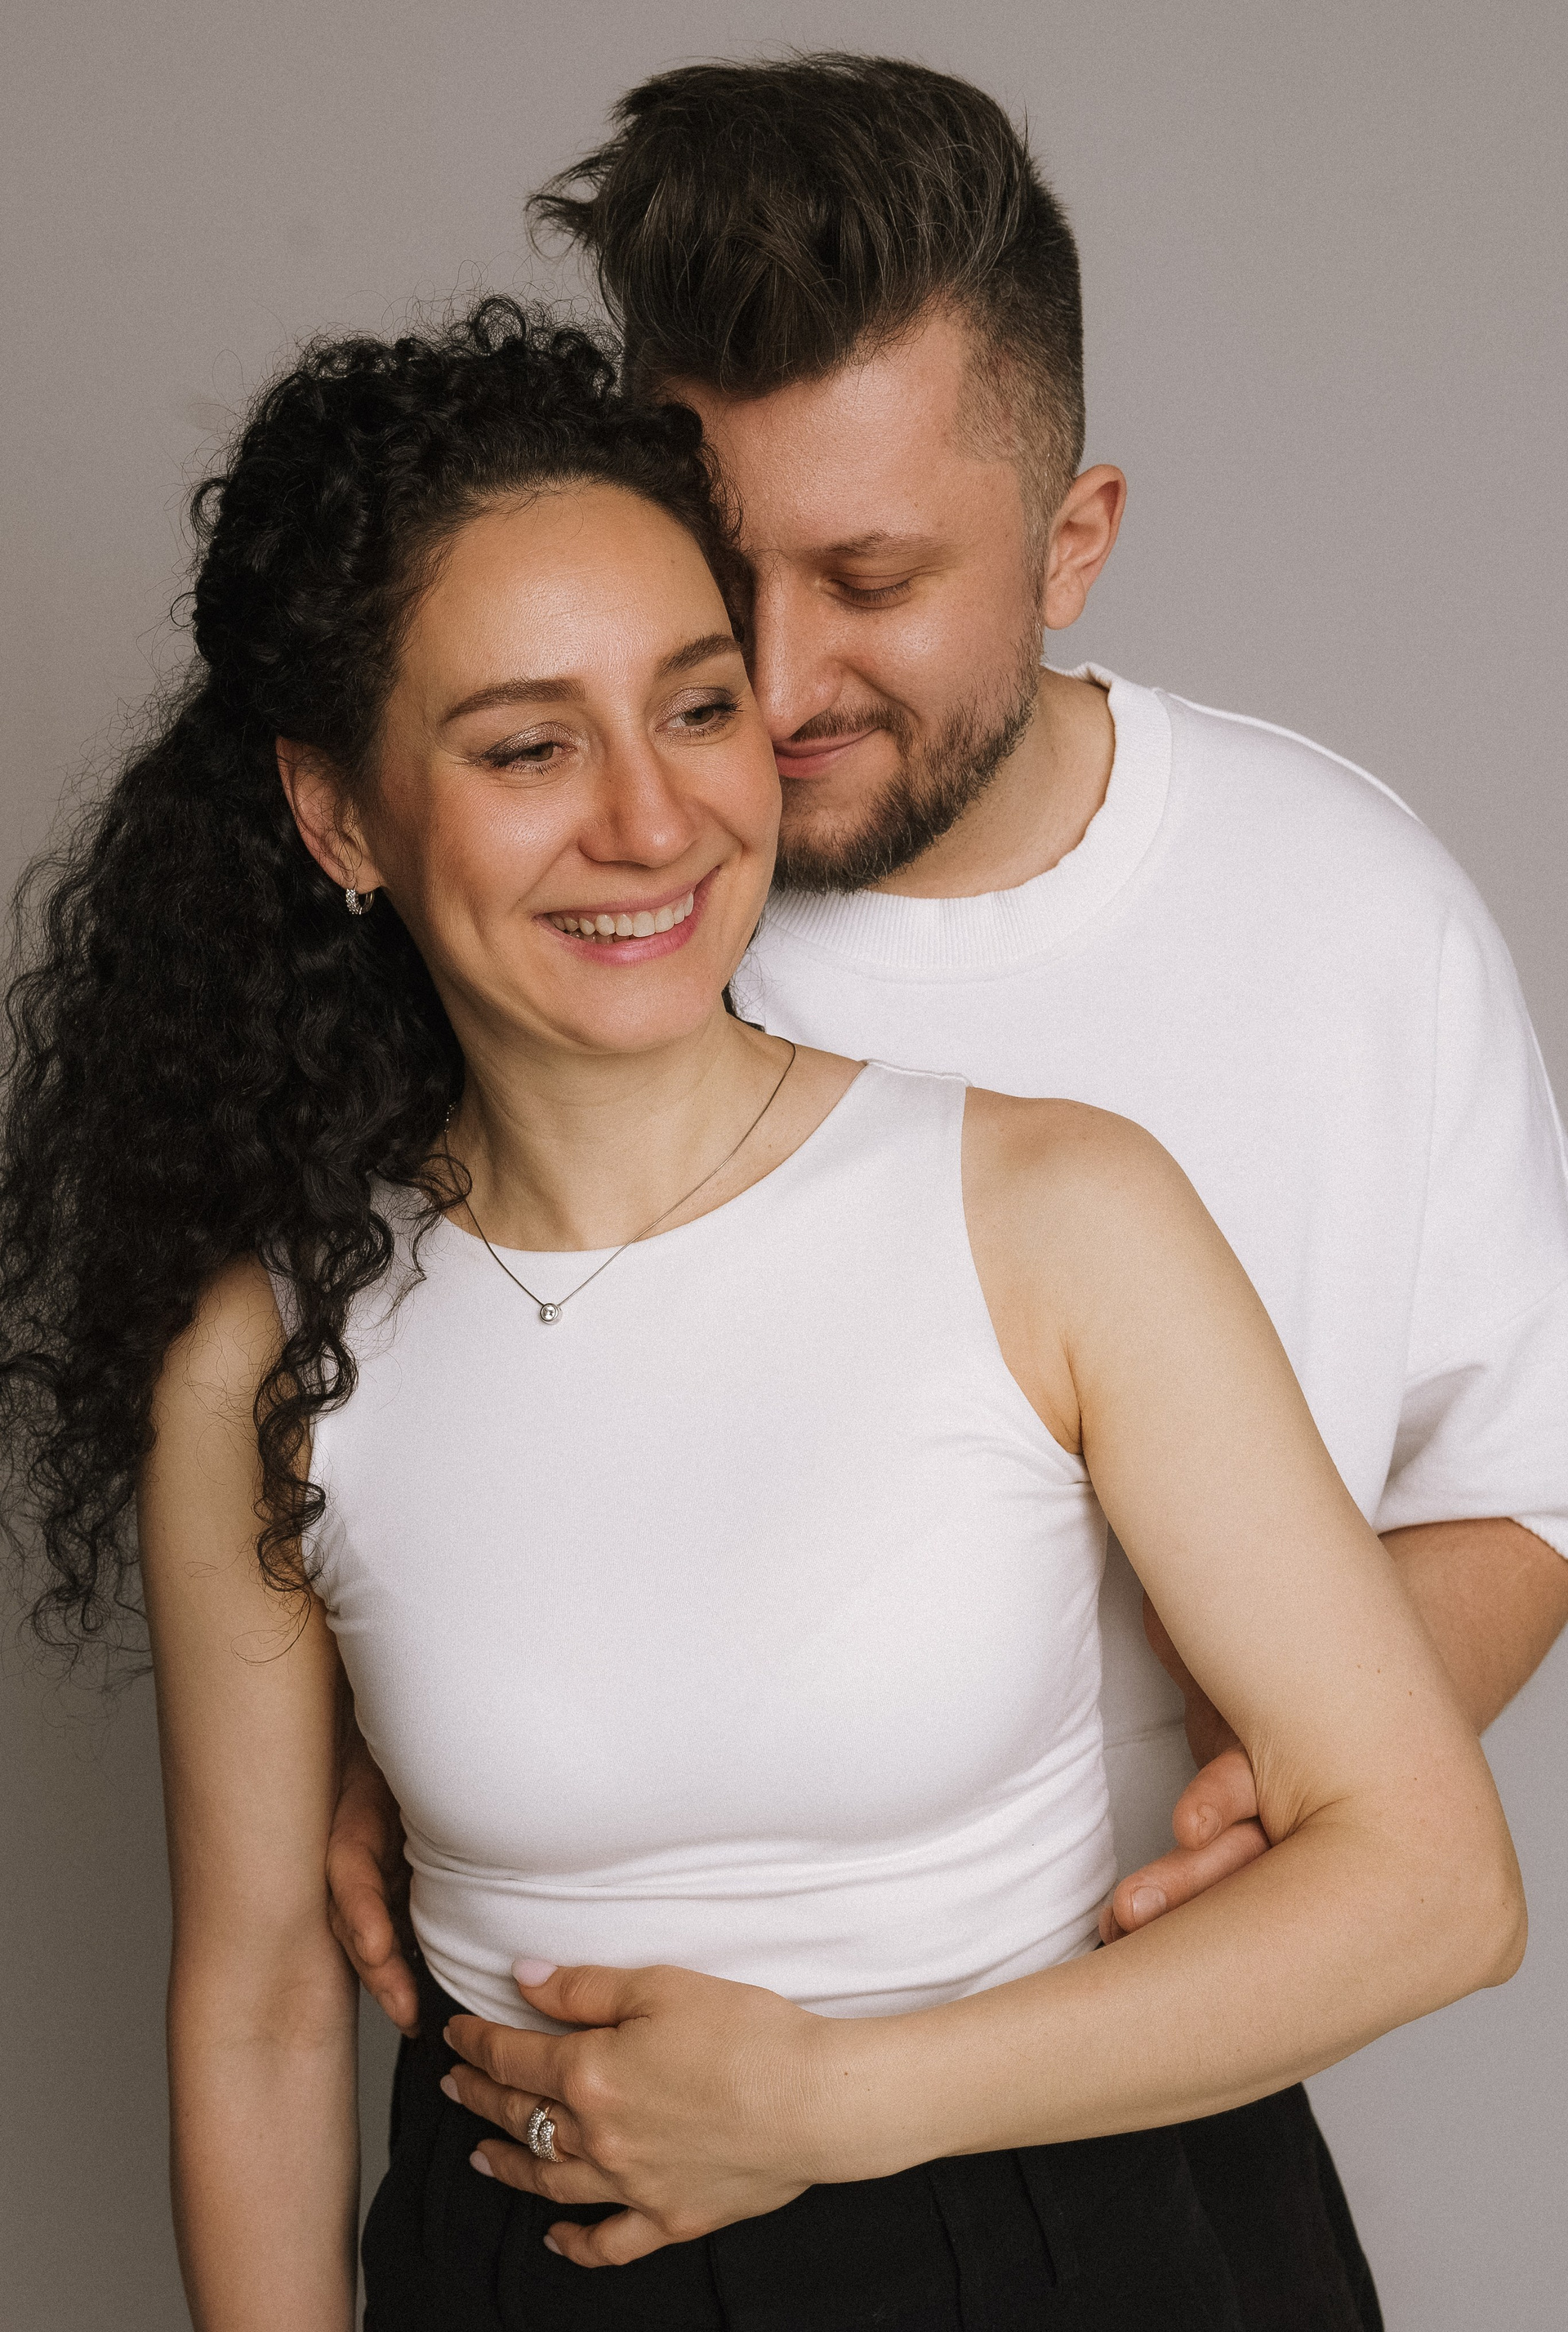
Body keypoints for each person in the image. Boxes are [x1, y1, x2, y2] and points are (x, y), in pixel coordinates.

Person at [0, 302, 1525, 2331]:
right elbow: (264, 2003)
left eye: (698, 707)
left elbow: (1433, 1886)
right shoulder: (267, 1360)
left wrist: (830, 2104)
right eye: (529, 746)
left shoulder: (1058, 1211)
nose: (652, 821)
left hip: (1068, 2244)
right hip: (523, 2268)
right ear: (339, 815)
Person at [327, 53, 1568, 2330]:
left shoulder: (1345, 917)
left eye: (874, 580)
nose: (777, 676)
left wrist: (1297, 1776)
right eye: (721, 570)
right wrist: (374, 1719)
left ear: (1074, 543)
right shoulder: (577, 921)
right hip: (584, 2162)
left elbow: (1514, 1468)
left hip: (1121, 2074)